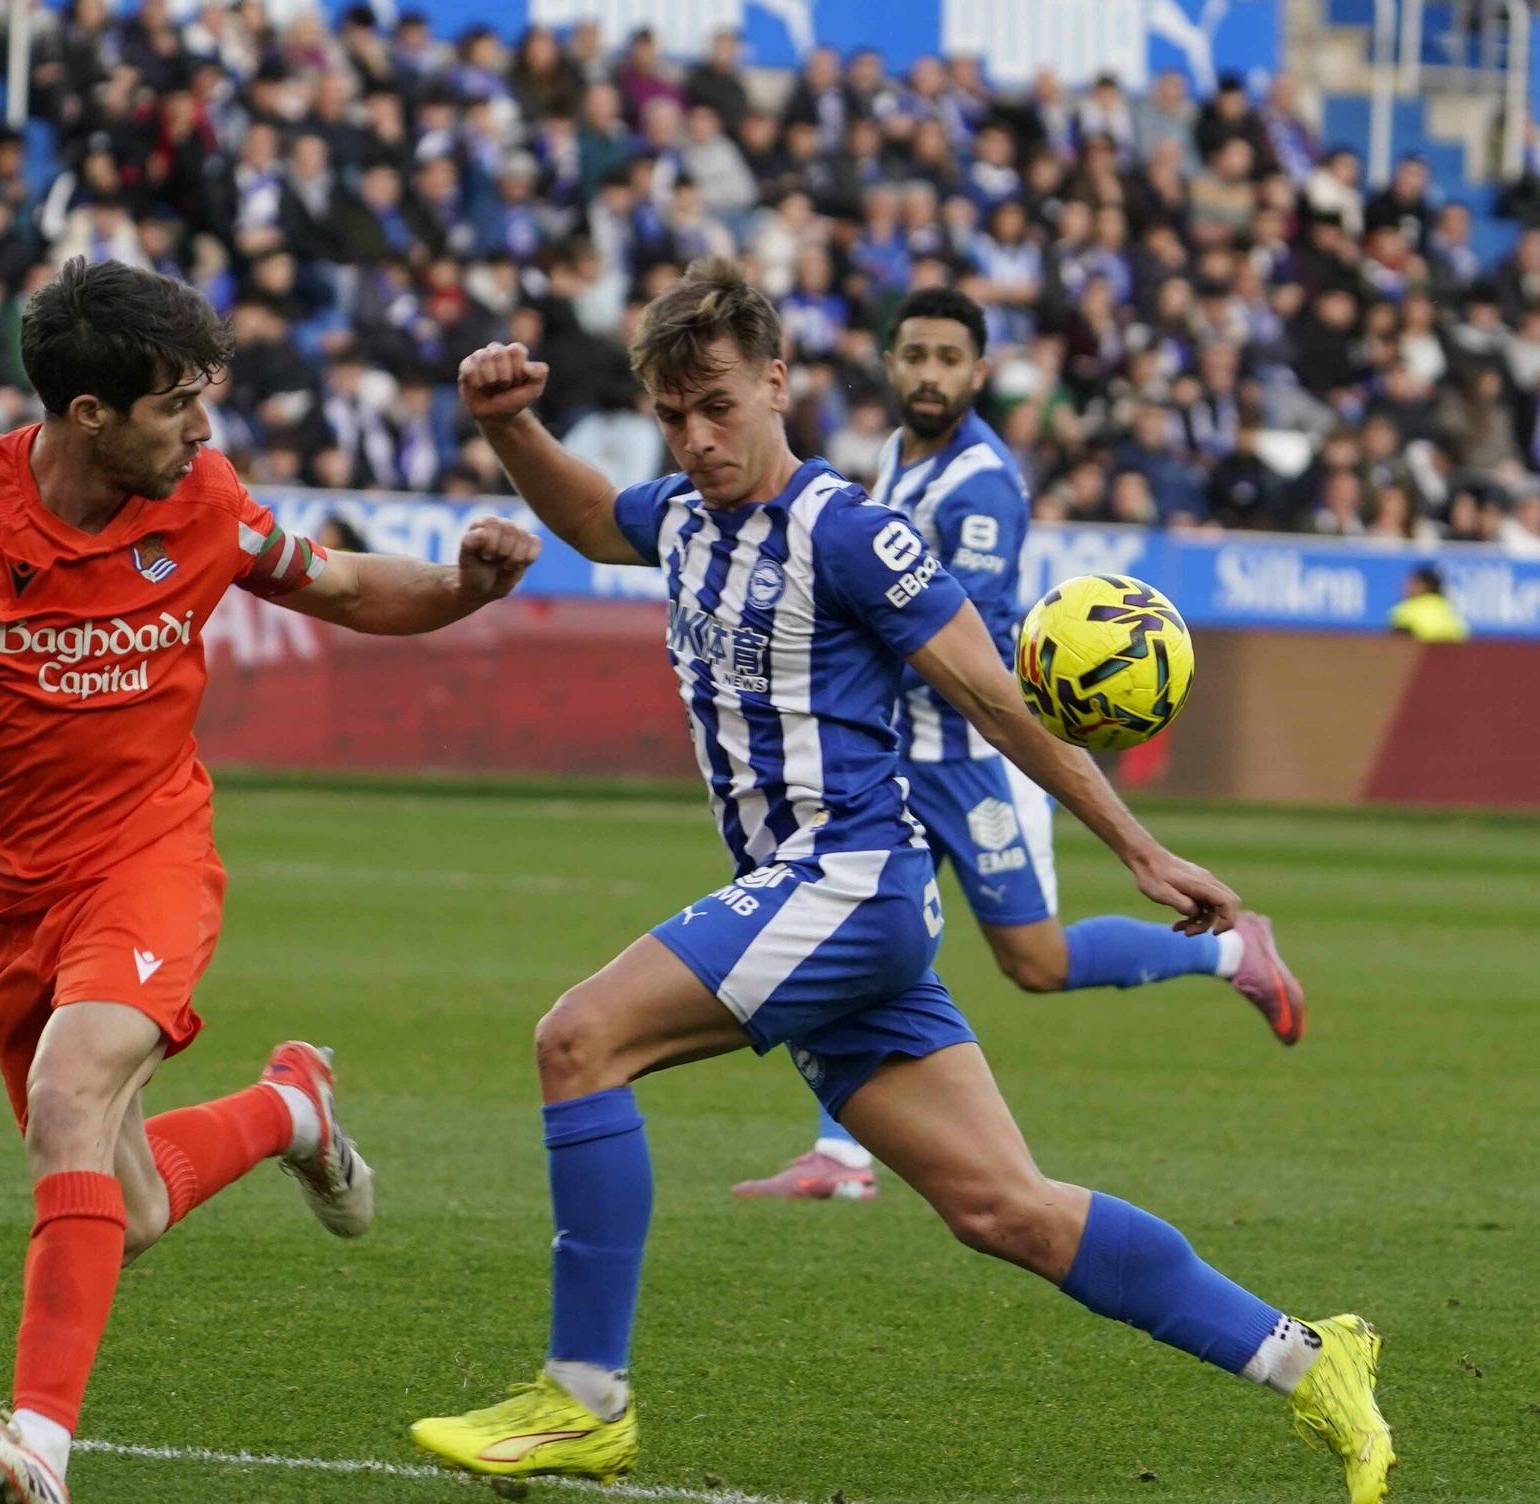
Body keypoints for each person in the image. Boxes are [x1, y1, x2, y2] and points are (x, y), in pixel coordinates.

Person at [408, 258, 1392, 1504]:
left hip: (848, 887)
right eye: (672, 415)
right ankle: (1309, 1360)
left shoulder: (850, 531)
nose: (697, 437)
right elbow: (598, 519)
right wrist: (507, 426)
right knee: (1006, 1210)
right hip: (816, 899)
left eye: (716, 405)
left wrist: (1136, 846)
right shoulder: (686, 515)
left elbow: (991, 693)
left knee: (577, 1040)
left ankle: (583, 1401)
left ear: (776, 381)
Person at [0, 258, 541, 1504]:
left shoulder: (205, 498)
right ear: (89, 413)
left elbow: (338, 583)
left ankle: (41, 1447)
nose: (203, 426)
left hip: (148, 855)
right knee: (118, 1207)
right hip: (10, 896)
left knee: (68, 1099)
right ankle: (293, 1111)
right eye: (177, 402)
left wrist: (464, 585)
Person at [735, 288, 1306, 1205]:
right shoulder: (893, 456)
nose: (928, 374)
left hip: (975, 756)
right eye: (914, 354)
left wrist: (834, 655)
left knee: (1035, 962)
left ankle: (1235, 954)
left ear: (980, 372)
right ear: (889, 361)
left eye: (948, 359)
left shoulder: (984, 484)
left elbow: (964, 636)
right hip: (895, 758)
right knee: (867, 928)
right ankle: (842, 1156)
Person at [1388, 564, 1469, 641]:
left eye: (1411, 582)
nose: (1405, 586)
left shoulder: (1404, 610)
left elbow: (1398, 645)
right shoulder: (1449, 610)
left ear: (1424, 586)